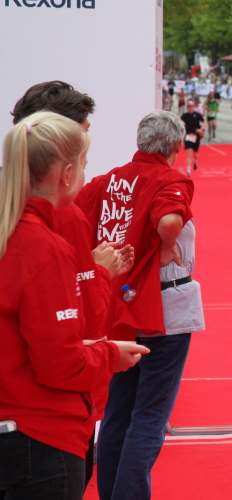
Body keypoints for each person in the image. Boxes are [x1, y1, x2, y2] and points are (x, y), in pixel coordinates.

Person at [0, 112, 148, 500]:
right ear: (67, 174)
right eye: (83, 164)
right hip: (41, 435)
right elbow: (61, 363)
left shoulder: (16, 234)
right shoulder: (43, 246)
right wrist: (110, 355)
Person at [75, 111, 204, 500]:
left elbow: (72, 221)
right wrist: (166, 245)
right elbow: (169, 222)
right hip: (161, 309)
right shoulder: (170, 179)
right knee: (150, 416)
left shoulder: (107, 181)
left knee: (117, 414)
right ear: (176, 146)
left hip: (116, 307)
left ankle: (112, 493)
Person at [180, 101, 204, 176]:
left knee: (195, 154)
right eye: (188, 106)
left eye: (191, 106)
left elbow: (204, 122)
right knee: (189, 153)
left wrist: (201, 129)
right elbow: (179, 124)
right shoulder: (184, 116)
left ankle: (195, 160)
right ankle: (188, 171)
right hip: (188, 136)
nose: (189, 107)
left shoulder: (197, 115)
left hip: (196, 136)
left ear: (193, 107)